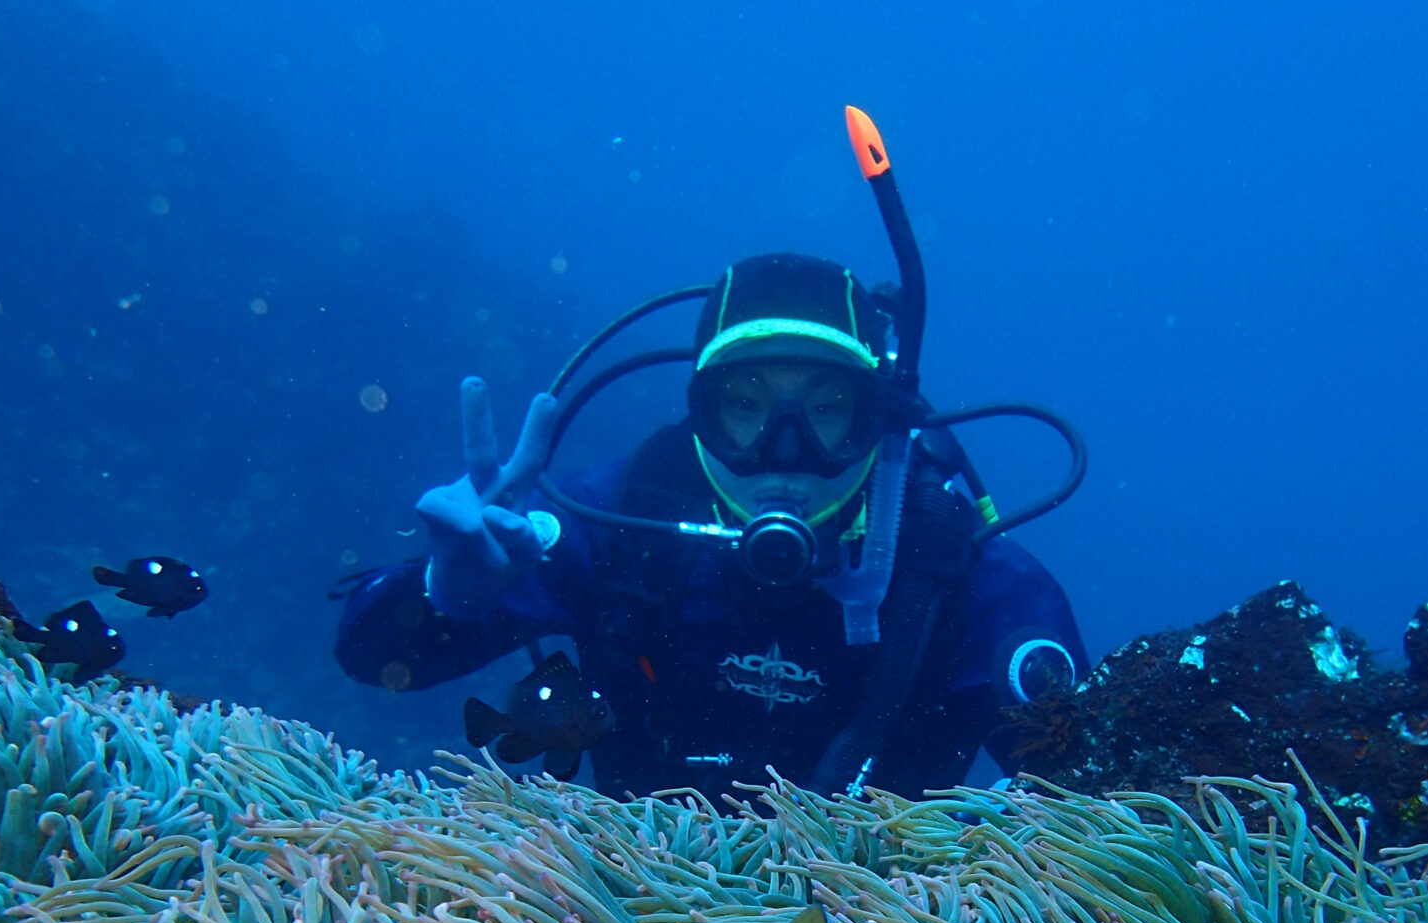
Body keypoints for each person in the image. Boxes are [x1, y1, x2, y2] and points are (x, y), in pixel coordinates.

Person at [335, 251, 1087, 799]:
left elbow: (1093, 794)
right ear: (702, 414)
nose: (783, 452)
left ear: (878, 422)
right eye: (747, 405)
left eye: (826, 411)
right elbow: (371, 657)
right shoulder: (623, 523)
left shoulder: (967, 580)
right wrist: (443, 596)